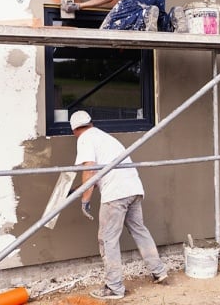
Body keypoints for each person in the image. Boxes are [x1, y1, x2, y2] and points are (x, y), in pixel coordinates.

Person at [70, 110, 168, 300]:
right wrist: (78, 190)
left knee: (107, 239)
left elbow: (89, 169)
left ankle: (114, 288)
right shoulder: (104, 137)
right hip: (133, 188)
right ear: (90, 122)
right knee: (139, 230)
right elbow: (100, 173)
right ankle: (159, 271)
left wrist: (85, 200)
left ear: (74, 129)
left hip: (115, 195)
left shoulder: (84, 139)